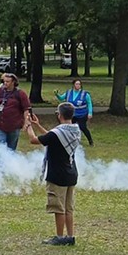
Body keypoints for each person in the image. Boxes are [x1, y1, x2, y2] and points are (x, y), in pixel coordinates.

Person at [26, 103, 81, 246]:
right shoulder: (75, 130)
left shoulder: (57, 133)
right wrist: (38, 125)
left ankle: (59, 237)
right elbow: (52, 138)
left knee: (58, 208)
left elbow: (34, 140)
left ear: (60, 115)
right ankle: (70, 236)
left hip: (58, 174)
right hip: (71, 173)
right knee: (69, 208)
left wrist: (28, 127)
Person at [0, 73, 33, 151]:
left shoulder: (20, 93)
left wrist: (26, 122)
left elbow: (26, 109)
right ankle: (0, 163)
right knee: (1, 148)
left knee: (11, 149)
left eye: (8, 81)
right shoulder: (0, 91)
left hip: (14, 126)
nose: (5, 83)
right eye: (4, 81)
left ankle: (10, 163)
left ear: (13, 82)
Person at [56, 79, 95, 146]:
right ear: (73, 85)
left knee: (83, 127)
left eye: (79, 84)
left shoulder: (85, 94)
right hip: (71, 114)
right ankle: (71, 140)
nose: (78, 85)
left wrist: (90, 113)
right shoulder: (69, 92)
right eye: (76, 84)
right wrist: (57, 94)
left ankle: (90, 141)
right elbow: (61, 98)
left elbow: (89, 103)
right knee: (69, 127)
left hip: (82, 114)